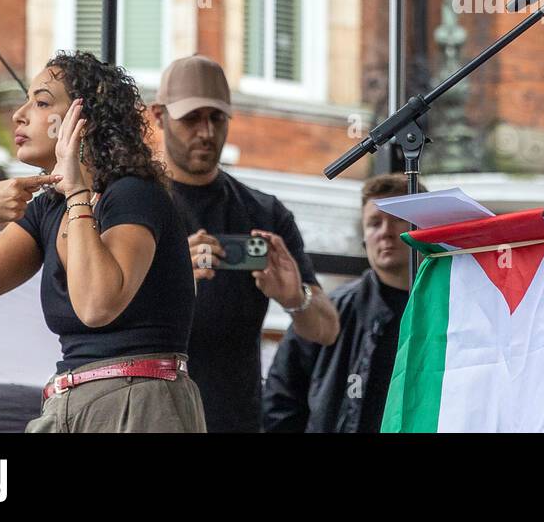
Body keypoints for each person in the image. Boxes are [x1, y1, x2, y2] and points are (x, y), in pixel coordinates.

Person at [0, 51, 204, 432]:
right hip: (69, 402)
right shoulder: (48, 208)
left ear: (84, 118)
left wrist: (78, 191)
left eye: (42, 101)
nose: (20, 114)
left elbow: (97, 305)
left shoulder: (133, 195)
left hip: (140, 401)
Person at [150, 54, 339, 433]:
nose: (205, 132)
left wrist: (293, 297)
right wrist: (168, 277)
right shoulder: (135, 204)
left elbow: (327, 329)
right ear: (158, 116)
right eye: (191, 118)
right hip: (148, 417)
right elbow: (93, 312)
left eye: (217, 118)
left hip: (235, 420)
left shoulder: (264, 213)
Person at [262, 173, 420, 432]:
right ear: (364, 237)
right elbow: (281, 401)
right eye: (374, 223)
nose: (385, 232)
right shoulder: (329, 312)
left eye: (398, 219)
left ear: (422, 227)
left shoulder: (450, 308)